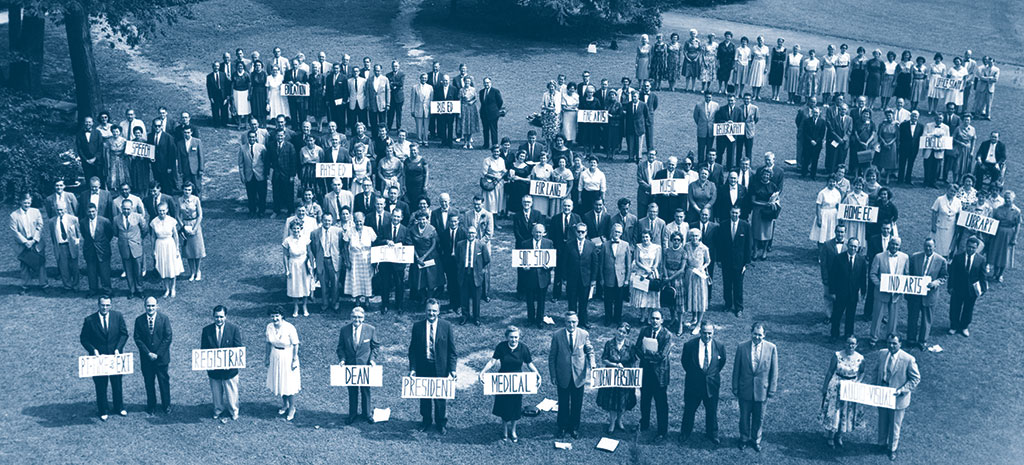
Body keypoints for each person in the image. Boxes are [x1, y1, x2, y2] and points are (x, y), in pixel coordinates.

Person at [479, 325, 540, 442]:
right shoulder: (501, 347)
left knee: (515, 407)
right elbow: (493, 361)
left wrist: (537, 374)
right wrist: (482, 372)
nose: (514, 339)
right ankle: (505, 430)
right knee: (504, 407)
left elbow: (529, 363)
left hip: (517, 382)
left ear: (519, 337)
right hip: (503, 381)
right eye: (511, 337)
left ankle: (513, 431)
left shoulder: (523, 348)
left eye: (516, 337)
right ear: (507, 337)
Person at [408, 299, 457, 434]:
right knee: (425, 396)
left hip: (441, 368)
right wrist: (412, 369)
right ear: (425, 310)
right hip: (424, 367)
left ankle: (441, 423)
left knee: (440, 397)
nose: (431, 313)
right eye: (429, 310)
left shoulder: (446, 326)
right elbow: (412, 350)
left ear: (438, 311)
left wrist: (452, 370)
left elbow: (452, 352)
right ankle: (426, 421)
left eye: (434, 311)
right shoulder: (417, 327)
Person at [871, 334, 920, 461]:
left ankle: (892, 448)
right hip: (883, 394)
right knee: (882, 420)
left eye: (894, 343)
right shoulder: (882, 353)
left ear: (900, 344)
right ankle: (881, 444)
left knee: (894, 424)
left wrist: (902, 390)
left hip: (898, 398)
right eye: (889, 343)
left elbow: (915, 379)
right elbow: (876, 371)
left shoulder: (908, 359)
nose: (891, 346)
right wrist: (874, 387)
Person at [79, 296, 128, 420]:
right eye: (103, 305)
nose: (105, 307)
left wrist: (118, 348)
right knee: (101, 384)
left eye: (107, 305)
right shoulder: (90, 320)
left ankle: (119, 407)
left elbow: (124, 334)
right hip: (98, 358)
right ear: (98, 305)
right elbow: (84, 339)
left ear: (111, 305)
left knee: (117, 383)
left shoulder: (118, 316)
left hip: (115, 357)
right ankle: (103, 409)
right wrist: (93, 350)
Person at [731, 322, 778, 452]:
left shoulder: (771, 348)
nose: (757, 337)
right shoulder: (742, 347)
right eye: (755, 334)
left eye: (760, 335)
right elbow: (736, 369)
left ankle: (756, 440)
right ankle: (744, 438)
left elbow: (774, 371)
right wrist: (735, 387)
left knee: (759, 417)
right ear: (751, 333)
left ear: (764, 335)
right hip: (744, 389)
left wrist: (772, 389)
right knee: (744, 416)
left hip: (762, 390)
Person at [549, 311, 595, 439]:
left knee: (577, 403)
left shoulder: (584, 334)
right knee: (563, 403)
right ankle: (562, 427)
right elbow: (552, 357)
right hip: (562, 375)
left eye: (574, 322)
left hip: (578, 376)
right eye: (569, 322)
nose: (571, 324)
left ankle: (574, 427)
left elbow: (590, 351)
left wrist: (593, 363)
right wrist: (553, 375)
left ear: (578, 322)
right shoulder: (557, 335)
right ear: (565, 322)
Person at [681, 320, 726, 445]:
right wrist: (696, 375)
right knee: (689, 410)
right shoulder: (690, 346)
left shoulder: (719, 346)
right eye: (705, 333)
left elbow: (720, 364)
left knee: (712, 411)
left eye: (710, 333)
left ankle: (712, 433)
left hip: (711, 386)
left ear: (713, 332)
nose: (707, 336)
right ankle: (685, 432)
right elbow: (685, 363)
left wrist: (709, 375)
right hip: (693, 385)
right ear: (700, 332)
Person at [335, 307, 380, 424]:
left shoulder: (370, 329)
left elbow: (375, 347)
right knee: (352, 391)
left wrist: (372, 360)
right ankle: (352, 414)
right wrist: (342, 360)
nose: (357, 319)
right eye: (355, 317)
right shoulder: (344, 330)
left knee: (366, 390)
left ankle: (367, 414)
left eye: (360, 317)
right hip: (350, 365)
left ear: (363, 318)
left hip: (365, 365)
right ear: (351, 317)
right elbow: (340, 348)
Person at [820, 336, 865, 448]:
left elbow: (862, 372)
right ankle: (830, 435)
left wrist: (858, 382)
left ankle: (839, 435)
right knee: (835, 411)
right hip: (836, 385)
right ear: (845, 343)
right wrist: (825, 387)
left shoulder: (860, 358)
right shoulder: (837, 355)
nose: (851, 346)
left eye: (853, 344)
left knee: (846, 411)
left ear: (856, 345)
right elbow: (830, 371)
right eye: (849, 343)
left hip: (850, 388)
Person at [200, 305, 244, 422]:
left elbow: (238, 348)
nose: (219, 319)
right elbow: (203, 349)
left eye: (221, 317)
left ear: (226, 316)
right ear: (213, 317)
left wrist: (229, 363)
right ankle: (218, 410)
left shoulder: (233, 329)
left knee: (231, 392)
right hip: (214, 369)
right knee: (216, 392)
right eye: (216, 317)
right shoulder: (207, 330)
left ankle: (234, 411)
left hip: (230, 370)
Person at [634, 310, 672, 441]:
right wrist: (645, 355)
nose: (655, 321)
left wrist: (646, 355)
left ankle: (662, 431)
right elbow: (637, 348)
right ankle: (644, 423)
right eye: (653, 318)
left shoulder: (667, 335)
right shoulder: (644, 331)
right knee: (645, 400)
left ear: (662, 320)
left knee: (661, 403)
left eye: (657, 319)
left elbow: (662, 355)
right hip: (646, 372)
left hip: (659, 375)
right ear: (650, 319)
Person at [905, 238, 948, 349]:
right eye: (926, 246)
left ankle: (922, 341)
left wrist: (936, 282)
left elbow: (944, 276)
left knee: (926, 319)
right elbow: (909, 273)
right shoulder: (915, 257)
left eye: (930, 246)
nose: (928, 248)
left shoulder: (941, 260)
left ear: (935, 247)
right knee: (912, 317)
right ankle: (911, 339)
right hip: (915, 294)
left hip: (930, 295)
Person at [133, 297, 172, 415]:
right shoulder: (139, 320)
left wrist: (157, 353)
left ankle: (166, 405)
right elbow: (137, 338)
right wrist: (148, 353)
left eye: (153, 305)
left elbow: (168, 337)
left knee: (163, 382)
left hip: (161, 359)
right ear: (145, 306)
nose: (150, 308)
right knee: (149, 383)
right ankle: (151, 405)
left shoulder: (164, 319)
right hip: (146, 359)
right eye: (148, 306)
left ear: (157, 306)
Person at [869, 237, 909, 344]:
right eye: (893, 244)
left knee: (893, 318)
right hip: (881, 292)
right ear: (889, 244)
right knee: (877, 316)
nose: (894, 246)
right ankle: (874, 338)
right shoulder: (879, 257)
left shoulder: (905, 257)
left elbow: (906, 274)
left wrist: (902, 287)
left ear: (899, 246)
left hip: (895, 294)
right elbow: (872, 274)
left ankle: (890, 337)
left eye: (897, 245)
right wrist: (880, 285)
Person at [947, 236, 988, 337]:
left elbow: (983, 276)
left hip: (971, 290)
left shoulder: (981, 260)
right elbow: (952, 273)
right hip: (958, 288)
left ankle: (964, 326)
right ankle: (954, 326)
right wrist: (950, 286)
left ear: (977, 248)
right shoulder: (958, 257)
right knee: (955, 307)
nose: (971, 249)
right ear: (966, 246)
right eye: (969, 247)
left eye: (973, 248)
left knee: (968, 309)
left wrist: (982, 289)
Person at [265, 307, 300, 421]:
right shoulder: (269, 327)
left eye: (277, 316)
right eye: (273, 316)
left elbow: (295, 344)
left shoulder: (289, 327)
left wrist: (294, 359)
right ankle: (285, 405)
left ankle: (292, 408)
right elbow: (268, 343)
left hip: (287, 356)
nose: (275, 318)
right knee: (280, 381)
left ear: (282, 316)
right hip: (275, 355)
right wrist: (267, 357)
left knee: (288, 383)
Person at [829, 238, 866, 340]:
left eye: (855, 246)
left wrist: (863, 292)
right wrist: (832, 292)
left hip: (853, 294)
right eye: (851, 246)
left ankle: (848, 334)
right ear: (847, 245)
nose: (853, 248)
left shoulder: (861, 260)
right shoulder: (838, 258)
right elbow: (832, 276)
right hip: (840, 293)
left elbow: (863, 278)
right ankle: (834, 334)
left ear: (858, 248)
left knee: (850, 316)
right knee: (837, 315)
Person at [718, 206, 751, 316]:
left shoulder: (745, 226)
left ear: (740, 213)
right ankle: (727, 305)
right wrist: (719, 259)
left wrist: (747, 261)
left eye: (736, 213)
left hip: (739, 262)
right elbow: (720, 244)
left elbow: (748, 245)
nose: (734, 215)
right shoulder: (723, 225)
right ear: (729, 212)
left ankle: (739, 307)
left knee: (738, 285)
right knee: (727, 284)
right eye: (733, 212)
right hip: (726, 261)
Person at [520, 223, 554, 327]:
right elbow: (521, 260)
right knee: (529, 299)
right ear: (532, 232)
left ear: (544, 233)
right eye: (536, 232)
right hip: (530, 276)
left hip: (543, 276)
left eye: (540, 232)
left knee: (541, 300)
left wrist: (549, 266)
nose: (538, 234)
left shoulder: (549, 243)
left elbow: (551, 260)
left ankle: (539, 319)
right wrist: (524, 267)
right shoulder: (525, 244)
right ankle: (530, 319)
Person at [599, 223, 632, 325]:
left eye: (619, 232)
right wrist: (601, 278)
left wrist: (627, 278)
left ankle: (617, 318)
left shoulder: (625, 245)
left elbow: (628, 264)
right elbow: (601, 264)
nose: (616, 233)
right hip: (608, 276)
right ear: (612, 232)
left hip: (620, 277)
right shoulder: (605, 245)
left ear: (621, 233)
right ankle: (608, 318)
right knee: (608, 299)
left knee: (619, 300)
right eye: (615, 231)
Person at [150, 201, 183, 298]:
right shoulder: (154, 222)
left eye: (164, 210)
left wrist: (177, 248)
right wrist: (153, 250)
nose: (162, 213)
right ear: (157, 211)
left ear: (167, 210)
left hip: (170, 245)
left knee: (171, 267)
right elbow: (152, 237)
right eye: (160, 211)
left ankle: (173, 288)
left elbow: (176, 236)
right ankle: (167, 289)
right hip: (159, 245)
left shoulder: (172, 221)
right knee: (163, 268)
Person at [345, 212, 378, 305]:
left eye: (360, 221)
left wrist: (375, 260)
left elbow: (375, 244)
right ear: (354, 221)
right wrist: (347, 260)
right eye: (356, 221)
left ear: (364, 220)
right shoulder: (350, 231)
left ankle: (367, 300)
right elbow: (344, 246)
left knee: (367, 280)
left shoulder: (369, 230)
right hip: (354, 259)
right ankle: (357, 300)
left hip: (367, 259)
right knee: (356, 279)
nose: (358, 223)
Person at [630, 231, 662, 325]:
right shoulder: (638, 247)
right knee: (642, 295)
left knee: (651, 295)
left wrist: (651, 269)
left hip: (652, 272)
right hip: (641, 272)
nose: (645, 239)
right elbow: (637, 261)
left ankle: (650, 316)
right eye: (643, 237)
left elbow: (657, 262)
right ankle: (642, 315)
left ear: (650, 238)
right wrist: (645, 269)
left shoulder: (656, 248)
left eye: (647, 237)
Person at [176, 182, 205, 282]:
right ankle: (192, 272)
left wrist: (195, 228)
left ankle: (198, 271)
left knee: (197, 250)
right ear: (182, 190)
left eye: (189, 190)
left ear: (191, 190)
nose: (187, 192)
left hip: (195, 224)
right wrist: (183, 227)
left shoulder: (196, 199)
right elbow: (177, 216)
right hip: (185, 225)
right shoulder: (179, 200)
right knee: (188, 251)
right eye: (185, 189)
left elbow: (200, 215)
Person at [989, 191, 1020, 282]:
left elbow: (1018, 225)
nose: (1007, 200)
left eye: (1009, 198)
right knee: (996, 252)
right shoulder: (999, 208)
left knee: (1004, 254)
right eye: (1006, 198)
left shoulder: (1016, 211)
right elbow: (993, 220)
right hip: (998, 232)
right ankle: (995, 273)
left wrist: (1015, 237)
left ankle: (1000, 274)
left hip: (1008, 234)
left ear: (1013, 199)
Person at [749, 169, 780, 260]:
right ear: (761, 175)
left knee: (767, 232)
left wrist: (774, 202)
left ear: (770, 176)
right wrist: (764, 204)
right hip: (758, 210)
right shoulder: (755, 185)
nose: (765, 176)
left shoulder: (773, 186)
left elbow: (777, 198)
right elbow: (753, 201)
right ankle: (755, 250)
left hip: (768, 211)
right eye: (764, 174)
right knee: (755, 231)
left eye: (767, 175)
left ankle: (764, 251)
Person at [239, 131, 268, 218]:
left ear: (256, 138)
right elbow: (241, 164)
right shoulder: (243, 148)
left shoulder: (262, 147)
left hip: (260, 174)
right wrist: (242, 175)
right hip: (249, 175)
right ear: (248, 138)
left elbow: (266, 162)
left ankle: (261, 210)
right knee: (251, 194)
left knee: (262, 194)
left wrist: (266, 174)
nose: (252, 139)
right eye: (250, 137)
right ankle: (252, 210)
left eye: (253, 137)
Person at [931, 185, 962, 257]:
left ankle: (945, 259)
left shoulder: (958, 202)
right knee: (938, 246)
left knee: (947, 247)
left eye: (955, 192)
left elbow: (959, 215)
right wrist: (933, 226)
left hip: (951, 228)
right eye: (951, 191)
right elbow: (934, 212)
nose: (953, 193)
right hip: (940, 226)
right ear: (947, 190)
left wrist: (957, 228)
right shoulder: (940, 199)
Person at [897, 111, 924, 184]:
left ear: (918, 117)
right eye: (913, 116)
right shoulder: (903, 125)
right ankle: (900, 179)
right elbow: (900, 136)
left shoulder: (921, 126)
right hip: (904, 147)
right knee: (902, 163)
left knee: (910, 164)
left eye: (916, 116)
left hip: (914, 148)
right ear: (910, 116)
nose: (914, 118)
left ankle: (908, 179)